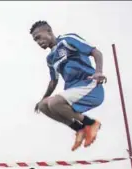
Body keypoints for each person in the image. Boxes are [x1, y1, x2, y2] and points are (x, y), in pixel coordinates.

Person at [30, 21, 106, 151]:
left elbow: (96, 52)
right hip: (72, 90)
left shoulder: (67, 40)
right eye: (35, 40)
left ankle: (91, 124)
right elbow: (53, 81)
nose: (38, 42)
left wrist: (99, 72)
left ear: (49, 31)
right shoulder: (50, 59)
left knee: (54, 103)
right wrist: (42, 98)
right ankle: (79, 129)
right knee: (44, 105)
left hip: (89, 85)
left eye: (38, 37)